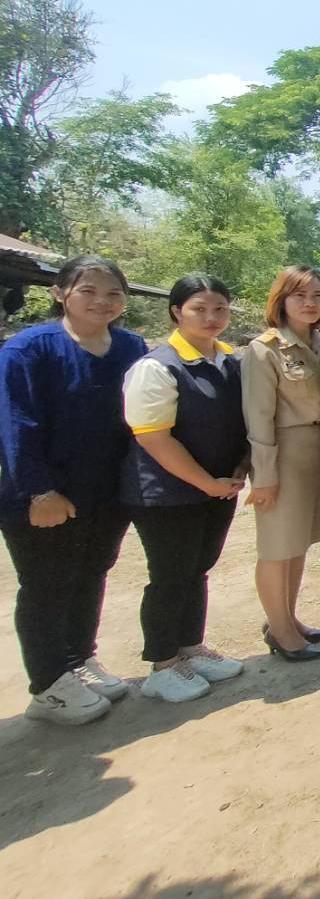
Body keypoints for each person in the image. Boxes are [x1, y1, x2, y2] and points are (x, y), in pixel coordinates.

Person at [0, 256, 147, 724]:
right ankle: (48, 686)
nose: (102, 302)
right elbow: (16, 424)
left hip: (107, 491)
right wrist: (37, 491)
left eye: (113, 293)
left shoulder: (130, 347)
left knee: (91, 573)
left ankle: (78, 659)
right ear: (60, 293)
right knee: (46, 584)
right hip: (46, 496)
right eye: (88, 291)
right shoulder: (28, 350)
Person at [122, 276, 249, 702]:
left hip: (216, 488)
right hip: (168, 493)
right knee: (170, 575)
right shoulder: (157, 367)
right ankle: (162, 664)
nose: (211, 318)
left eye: (220, 309)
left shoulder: (229, 361)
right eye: (199, 309)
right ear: (177, 312)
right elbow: (153, 438)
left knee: (197, 568)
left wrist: (238, 468)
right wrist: (207, 483)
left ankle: (191, 648)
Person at [242, 266, 320, 663]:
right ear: (281, 300)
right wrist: (264, 476)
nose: (310, 303)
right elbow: (258, 417)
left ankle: (289, 618)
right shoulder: (264, 349)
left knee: (299, 542)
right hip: (284, 451)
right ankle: (279, 629)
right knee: (277, 546)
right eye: (300, 295)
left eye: (317, 295)